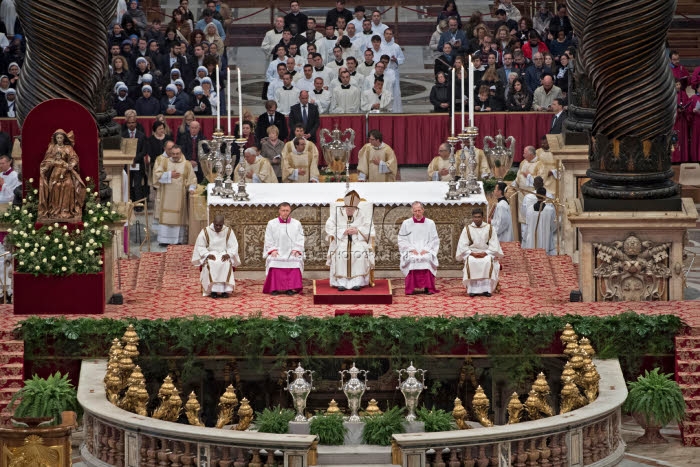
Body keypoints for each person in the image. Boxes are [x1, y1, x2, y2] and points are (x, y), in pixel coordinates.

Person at [325, 190, 375, 291]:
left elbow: (370, 228)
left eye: (352, 209)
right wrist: (343, 231)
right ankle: (341, 282)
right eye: (348, 208)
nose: (350, 211)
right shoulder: (337, 213)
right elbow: (329, 226)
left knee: (360, 253)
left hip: (358, 241)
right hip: (341, 240)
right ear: (344, 206)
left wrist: (357, 231)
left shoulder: (362, 214)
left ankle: (357, 282)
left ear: (356, 208)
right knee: (340, 253)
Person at [38, 130, 86, 223]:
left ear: (64, 138)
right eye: (58, 138)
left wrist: (71, 164)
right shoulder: (52, 148)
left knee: (69, 185)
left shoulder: (68, 148)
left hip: (66, 172)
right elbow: (47, 160)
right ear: (55, 139)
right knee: (56, 187)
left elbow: (74, 158)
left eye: (61, 137)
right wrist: (48, 165)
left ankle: (66, 211)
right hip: (55, 173)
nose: (59, 139)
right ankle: (55, 212)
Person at [153, 144, 197, 245]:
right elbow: (157, 176)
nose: (175, 156)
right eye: (173, 154)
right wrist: (169, 175)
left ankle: (177, 240)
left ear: (181, 153)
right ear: (170, 153)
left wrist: (191, 188)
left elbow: (192, 179)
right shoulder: (164, 162)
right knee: (166, 219)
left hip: (179, 198)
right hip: (166, 197)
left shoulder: (186, 164)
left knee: (178, 218)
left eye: (177, 154)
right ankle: (164, 240)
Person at [455, 208, 503, 297]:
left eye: (479, 217)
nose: (477, 219)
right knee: (471, 261)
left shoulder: (489, 228)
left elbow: (494, 244)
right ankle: (472, 289)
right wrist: (471, 253)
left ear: (483, 217)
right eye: (475, 217)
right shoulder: (467, 229)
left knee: (487, 261)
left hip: (486, 252)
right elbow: (462, 245)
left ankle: (486, 289)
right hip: (472, 253)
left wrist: (486, 253)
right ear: (472, 218)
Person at [192, 215, 241, 298]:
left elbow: (233, 245)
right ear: (213, 222)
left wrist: (228, 254)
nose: (218, 227)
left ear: (223, 224)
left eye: (220, 225)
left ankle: (225, 291)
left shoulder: (228, 231)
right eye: (216, 225)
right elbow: (200, 246)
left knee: (225, 263)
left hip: (224, 253)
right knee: (212, 263)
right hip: (211, 253)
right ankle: (213, 291)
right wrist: (207, 254)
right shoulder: (205, 231)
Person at [263, 202, 305, 295]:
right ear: (279, 211)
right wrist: (272, 250)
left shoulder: (296, 223)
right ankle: (274, 288)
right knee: (274, 262)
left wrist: (296, 249)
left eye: (287, 211)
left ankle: (289, 288)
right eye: (283, 210)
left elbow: (300, 237)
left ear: (290, 211)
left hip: (292, 251)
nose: (285, 213)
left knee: (295, 262)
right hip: (277, 251)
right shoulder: (272, 223)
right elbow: (268, 238)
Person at [398, 202, 440, 295]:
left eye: (419, 210)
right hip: (412, 249)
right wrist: (411, 249)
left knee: (427, 258)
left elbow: (434, 239)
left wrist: (427, 249)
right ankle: (411, 288)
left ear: (423, 210)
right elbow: (402, 239)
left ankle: (428, 288)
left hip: (426, 249)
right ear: (412, 211)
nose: (417, 213)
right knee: (412, 259)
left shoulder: (430, 223)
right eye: (415, 211)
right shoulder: (406, 223)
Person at [512, 145, 545, 229]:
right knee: (523, 219)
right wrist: (514, 184)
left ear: (531, 154)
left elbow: (540, 180)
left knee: (532, 218)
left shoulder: (539, 164)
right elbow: (518, 175)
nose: (523, 155)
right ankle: (524, 240)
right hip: (521, 194)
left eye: (525, 153)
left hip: (532, 195)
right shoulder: (523, 162)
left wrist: (528, 176)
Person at [523, 187, 557, 255]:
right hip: (545, 241)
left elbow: (527, 225)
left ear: (536, 195)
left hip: (532, 242)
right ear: (545, 196)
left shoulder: (529, 209)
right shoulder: (550, 210)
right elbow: (553, 226)